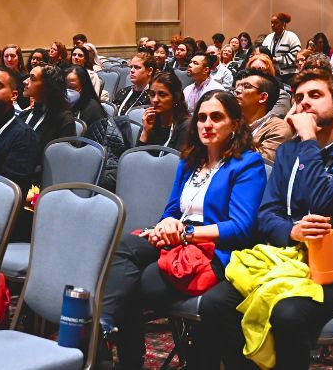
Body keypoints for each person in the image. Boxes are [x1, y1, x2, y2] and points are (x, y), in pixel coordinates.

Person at [194, 67, 333, 370]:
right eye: (299, 97)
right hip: (283, 259)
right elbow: (267, 214)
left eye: (315, 95)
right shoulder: (288, 153)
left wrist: (308, 139)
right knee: (217, 304)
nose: (305, 102)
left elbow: (327, 201)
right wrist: (293, 230)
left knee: (287, 313)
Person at [101, 91, 266, 369]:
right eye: (201, 118)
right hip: (178, 240)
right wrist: (165, 226)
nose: (207, 124)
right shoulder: (189, 161)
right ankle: (103, 327)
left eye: (216, 117)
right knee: (120, 250)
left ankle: (122, 354)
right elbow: (173, 210)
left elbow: (240, 227)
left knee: (140, 281)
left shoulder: (247, 164)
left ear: (235, 124)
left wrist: (186, 233)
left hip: (217, 250)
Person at [234, 72, 291, 165]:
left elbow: (262, 164)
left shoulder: (279, 128)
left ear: (263, 97)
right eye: (238, 86)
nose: (237, 90)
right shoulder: (231, 122)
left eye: (246, 86)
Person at [20, 64, 75, 149]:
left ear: (47, 86)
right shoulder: (24, 115)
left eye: (32, 78)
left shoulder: (63, 120)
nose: (25, 81)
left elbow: (64, 158)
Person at [138, 72, 190, 151]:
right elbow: (135, 158)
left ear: (176, 97)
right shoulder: (149, 120)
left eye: (162, 95)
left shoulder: (186, 126)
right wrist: (145, 131)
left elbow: (176, 161)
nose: (155, 100)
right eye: (152, 94)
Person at [260, 13, 301, 82]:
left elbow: (295, 55)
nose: (272, 25)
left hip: (289, 75)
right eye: (271, 23)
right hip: (272, 74)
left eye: (276, 23)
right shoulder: (268, 38)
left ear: (283, 24)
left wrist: (276, 59)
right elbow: (262, 53)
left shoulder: (292, 36)